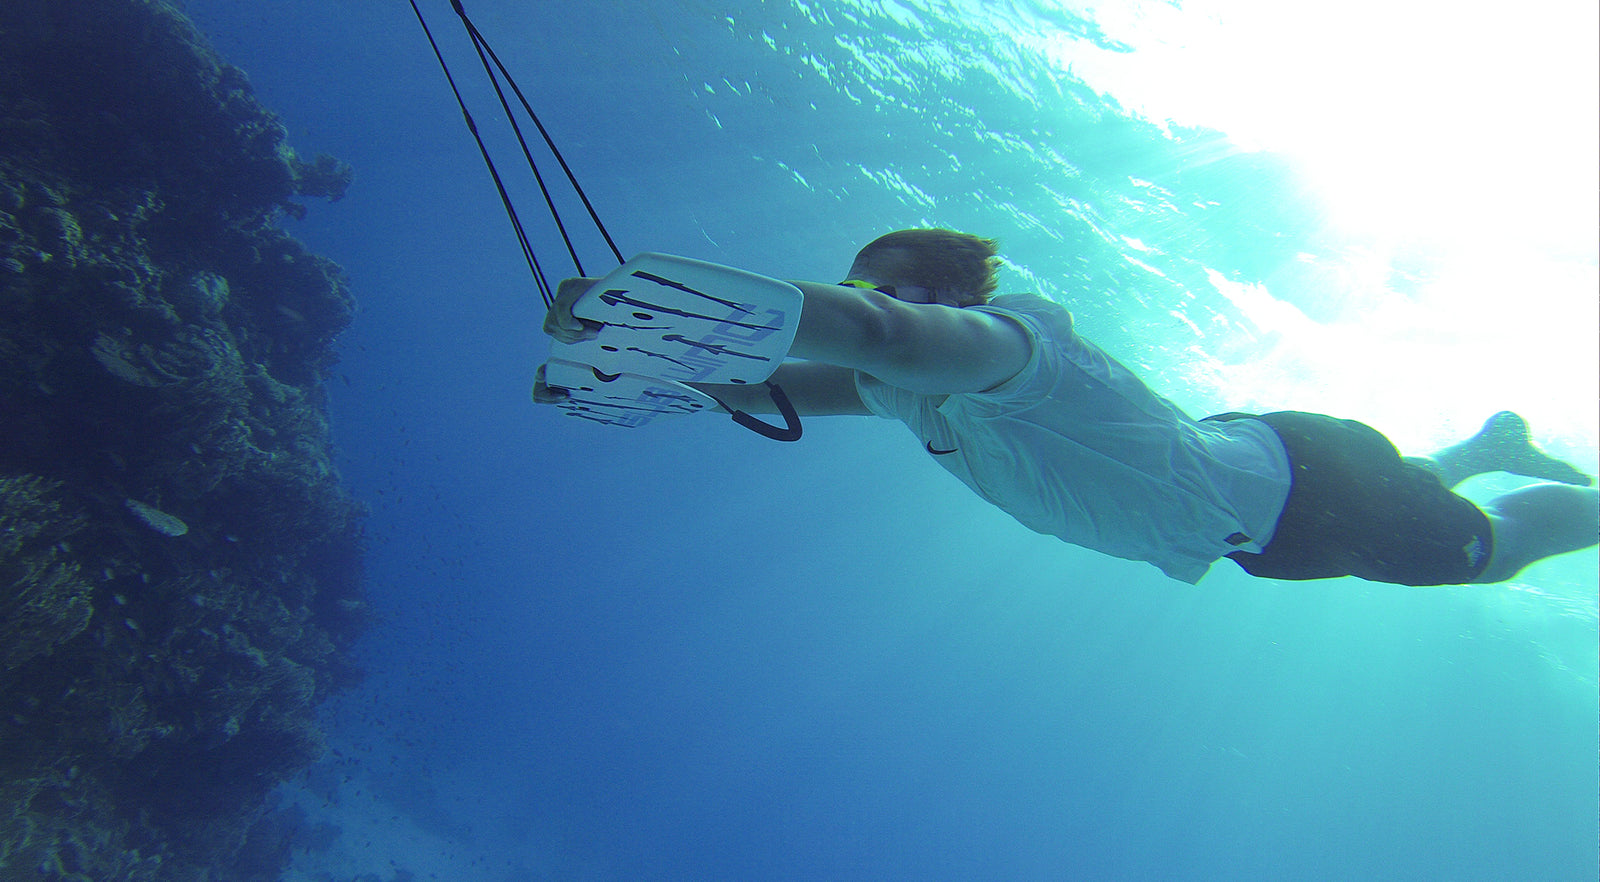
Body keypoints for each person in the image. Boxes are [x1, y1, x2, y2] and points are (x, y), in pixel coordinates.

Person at [536, 229, 1598, 585]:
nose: (863, 304)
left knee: (1494, 554)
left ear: (955, 296)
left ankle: (1534, 487)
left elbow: (880, 337)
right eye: (850, 284)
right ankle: (1486, 443)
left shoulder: (1009, 346)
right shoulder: (899, 393)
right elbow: (778, 381)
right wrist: (639, 367)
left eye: (881, 283)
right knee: (1421, 499)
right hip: (1256, 514)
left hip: (1298, 494)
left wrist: (647, 304)